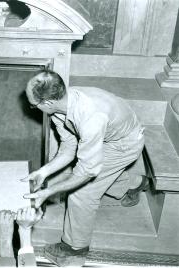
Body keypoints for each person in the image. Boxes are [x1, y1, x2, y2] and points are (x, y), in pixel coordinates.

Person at [22, 70, 147, 266]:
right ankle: (134, 183)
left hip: (125, 144)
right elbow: (68, 147)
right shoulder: (60, 104)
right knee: (97, 169)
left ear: (47, 103)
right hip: (108, 135)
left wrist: (48, 191)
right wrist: (43, 172)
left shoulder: (90, 117)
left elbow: (88, 171)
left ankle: (74, 250)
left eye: (32, 104)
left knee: (82, 192)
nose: (31, 107)